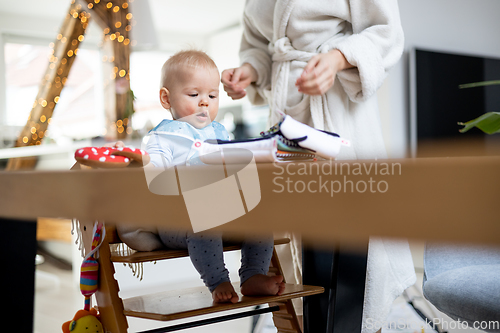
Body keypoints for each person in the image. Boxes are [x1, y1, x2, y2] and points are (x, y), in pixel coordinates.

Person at [221, 1, 416, 332]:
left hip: (338, 112)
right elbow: (259, 45)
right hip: (287, 118)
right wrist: (249, 71)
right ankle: (296, 322)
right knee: (291, 246)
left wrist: (338, 58)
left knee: (352, 244)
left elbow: (387, 31)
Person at [115, 50, 285, 303]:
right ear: (166, 98)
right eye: (194, 95)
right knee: (204, 222)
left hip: (225, 215)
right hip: (180, 221)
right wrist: (144, 163)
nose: (204, 102)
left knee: (261, 222)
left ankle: (252, 275)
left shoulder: (221, 134)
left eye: (212, 95)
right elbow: (155, 172)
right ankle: (218, 281)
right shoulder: (163, 137)